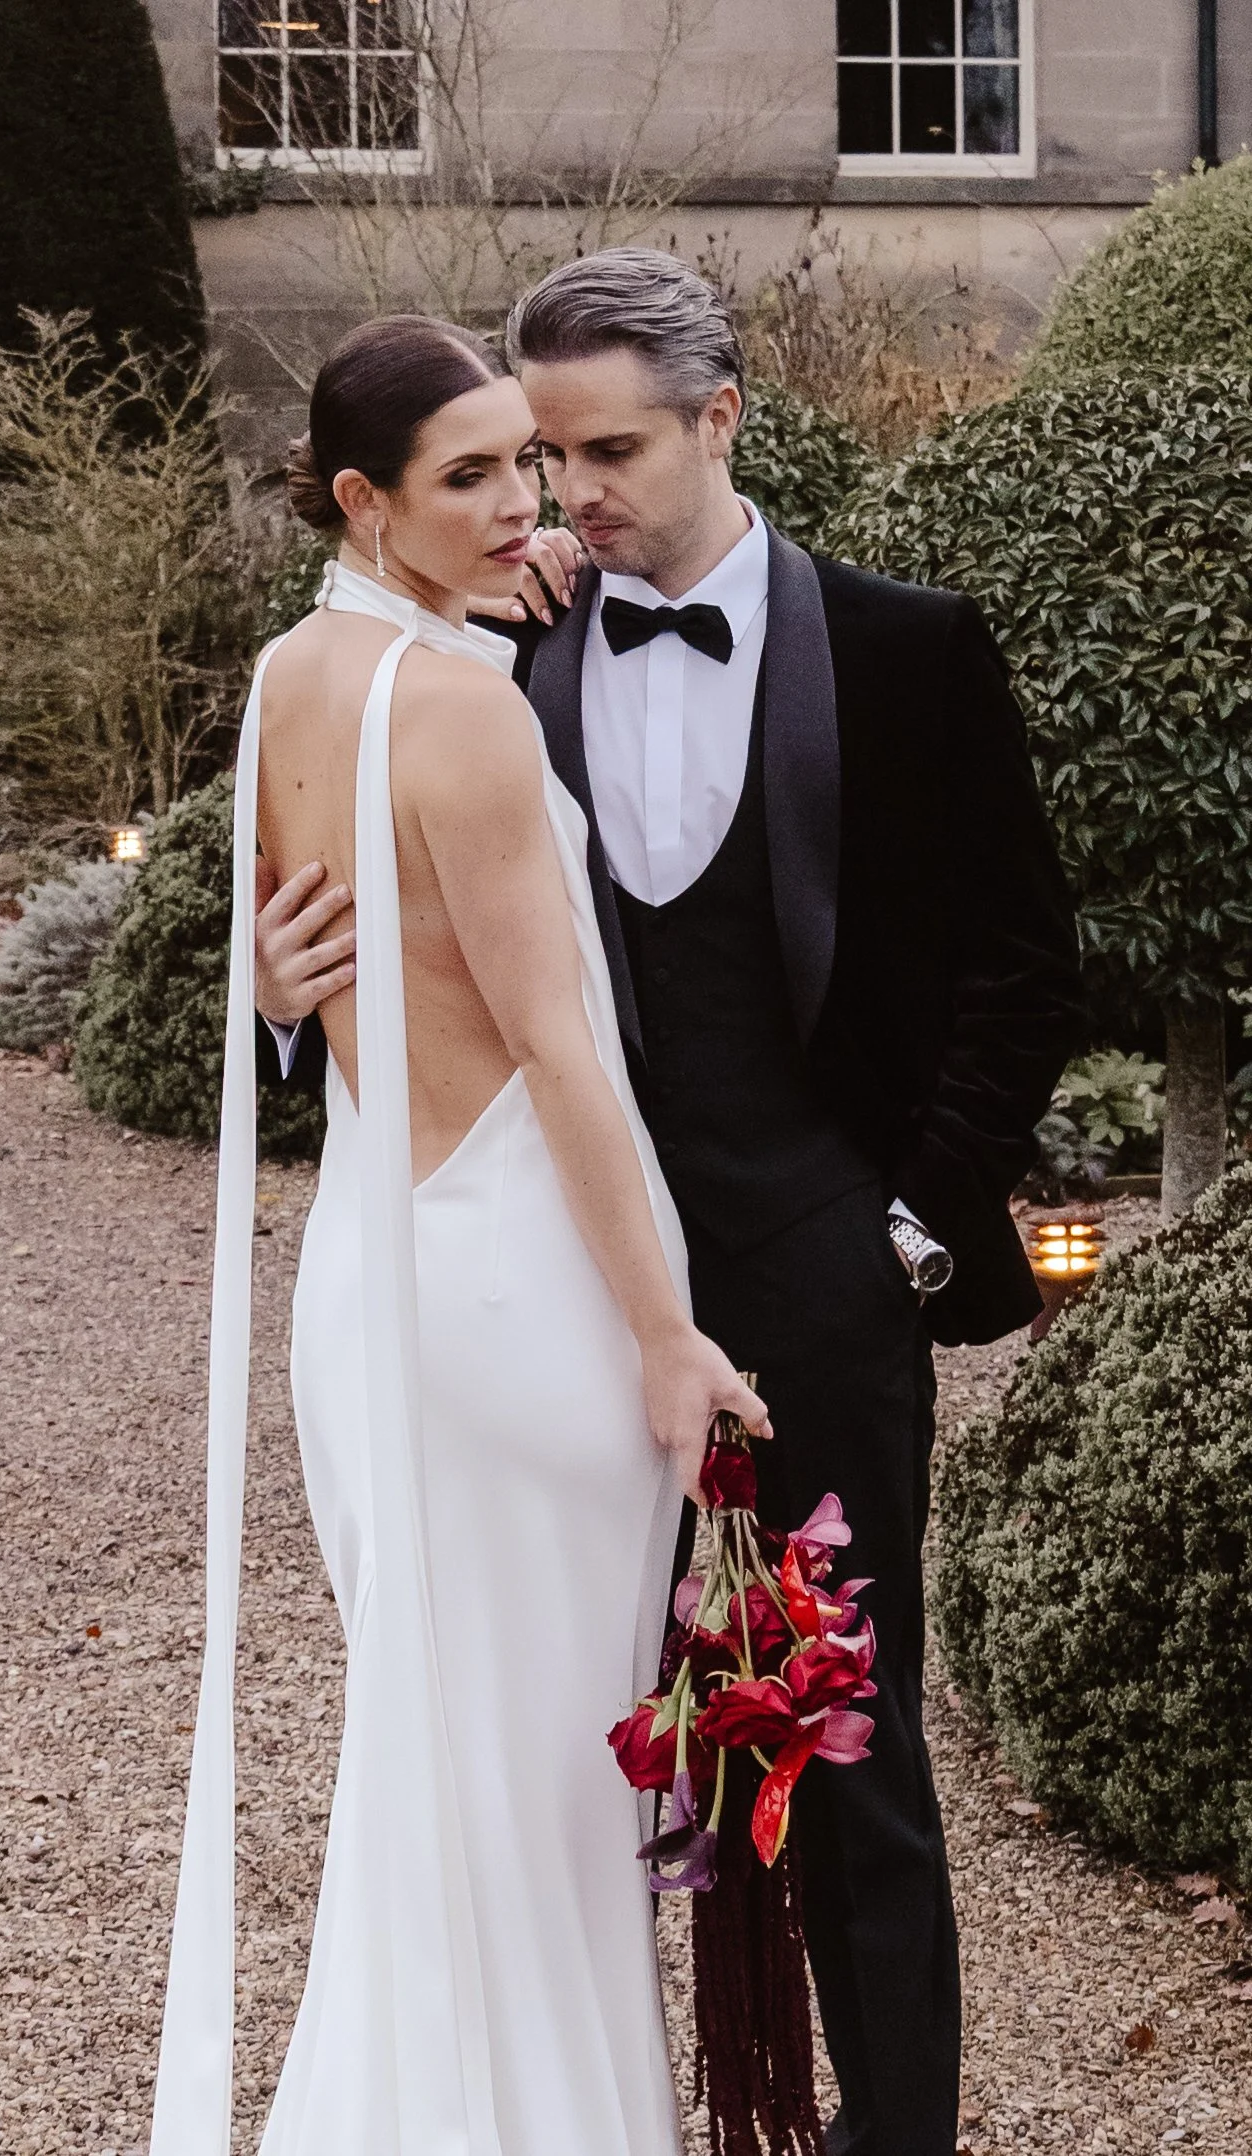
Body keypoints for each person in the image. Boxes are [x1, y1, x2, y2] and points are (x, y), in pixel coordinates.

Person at [256, 251, 1085, 2156]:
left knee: (851, 1771)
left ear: (723, 418)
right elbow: (398, 947)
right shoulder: (491, 646)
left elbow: (1022, 974)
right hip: (553, 1305)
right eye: (532, 457)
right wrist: (285, 999)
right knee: (569, 1763)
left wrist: (911, 1235)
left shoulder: (901, 650)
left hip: (814, 1281)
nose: (564, 499)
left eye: (606, 450)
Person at [149, 312, 769, 2156]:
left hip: (371, 1277)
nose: (530, 505)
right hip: (519, 1292)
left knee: (440, 1768)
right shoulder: (468, 708)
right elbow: (560, 1052)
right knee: (545, 1800)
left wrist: (262, 986)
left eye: (532, 461)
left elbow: (326, 953)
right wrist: (666, 1335)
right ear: (363, 498)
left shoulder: (289, 676)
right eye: (473, 477)